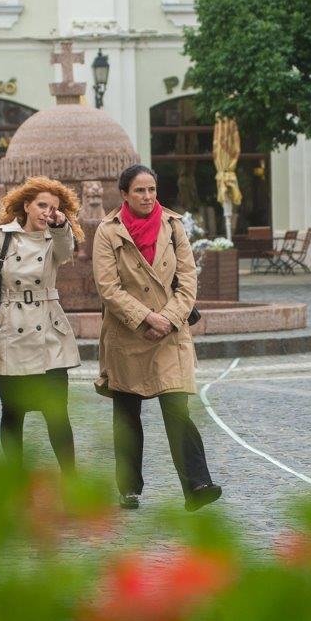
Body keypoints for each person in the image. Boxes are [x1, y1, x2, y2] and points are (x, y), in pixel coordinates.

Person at [91, 164, 222, 512]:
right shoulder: (108, 231)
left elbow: (188, 280)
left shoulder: (174, 226)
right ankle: (129, 488)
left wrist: (167, 318)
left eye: (152, 189)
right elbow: (108, 287)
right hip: (127, 333)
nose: (148, 197)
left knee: (177, 410)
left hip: (170, 334)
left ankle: (197, 485)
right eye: (139, 191)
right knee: (127, 416)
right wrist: (144, 317)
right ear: (124, 194)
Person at [0, 177, 82, 473]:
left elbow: (67, 252)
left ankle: (71, 484)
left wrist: (60, 224)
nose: (46, 212)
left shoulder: (56, 237)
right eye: (42, 205)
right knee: (13, 413)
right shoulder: (1, 237)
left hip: (50, 335)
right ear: (26, 205)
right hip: (10, 332)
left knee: (57, 415)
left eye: (53, 207)